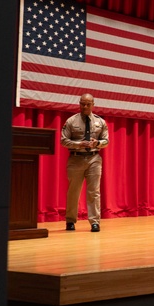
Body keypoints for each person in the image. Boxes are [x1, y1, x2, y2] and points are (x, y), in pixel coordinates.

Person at [60, 93, 109, 232]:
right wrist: (78, 144)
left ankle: (95, 222)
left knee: (94, 191)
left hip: (94, 158)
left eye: (88, 104)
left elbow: (106, 141)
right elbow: (63, 140)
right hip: (76, 158)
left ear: (93, 104)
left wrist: (97, 142)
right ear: (79, 104)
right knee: (73, 191)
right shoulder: (71, 121)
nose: (85, 106)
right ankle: (70, 221)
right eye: (82, 103)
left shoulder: (100, 122)